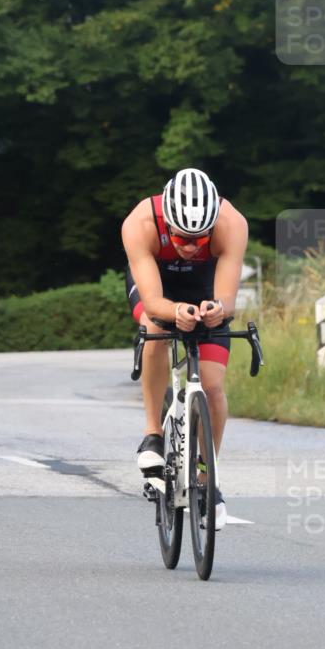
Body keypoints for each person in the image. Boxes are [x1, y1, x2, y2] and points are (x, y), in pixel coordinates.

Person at [121, 168, 248, 530]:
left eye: (199, 238)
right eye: (181, 237)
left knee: (212, 386)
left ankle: (208, 480)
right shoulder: (140, 222)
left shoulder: (231, 223)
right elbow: (154, 300)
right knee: (154, 324)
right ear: (167, 222)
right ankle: (153, 434)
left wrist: (217, 310)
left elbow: (227, 298)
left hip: (205, 284)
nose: (190, 246)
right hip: (159, 285)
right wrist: (175, 311)